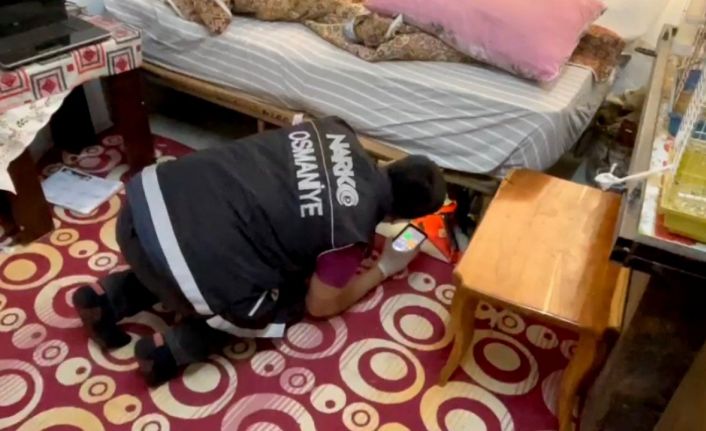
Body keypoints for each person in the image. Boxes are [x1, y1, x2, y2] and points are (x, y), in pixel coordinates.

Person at [73, 117, 446, 385]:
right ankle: (166, 352)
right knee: (288, 300)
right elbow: (321, 306)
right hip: (183, 264)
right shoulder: (351, 232)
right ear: (400, 216)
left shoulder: (333, 129)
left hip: (141, 208)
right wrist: (384, 268)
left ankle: (107, 297)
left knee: (196, 244)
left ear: (391, 163)